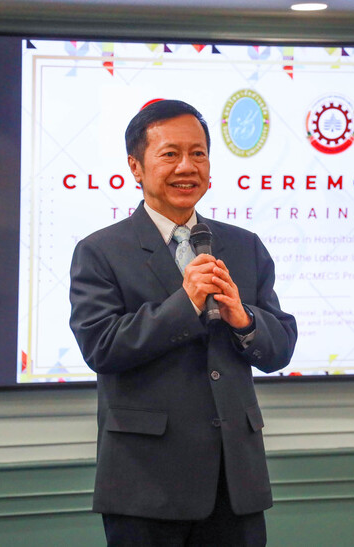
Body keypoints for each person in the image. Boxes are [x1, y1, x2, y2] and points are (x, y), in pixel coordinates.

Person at [69, 99, 297, 546]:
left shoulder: (244, 245)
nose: (187, 167)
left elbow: (280, 347)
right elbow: (101, 347)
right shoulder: (100, 251)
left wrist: (243, 319)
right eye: (170, 154)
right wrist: (186, 303)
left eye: (198, 154)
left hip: (235, 484)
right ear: (135, 167)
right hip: (146, 485)